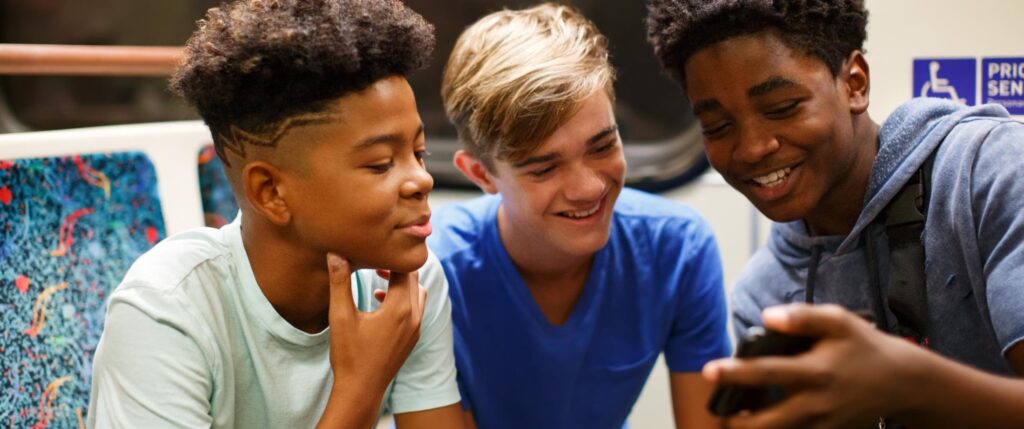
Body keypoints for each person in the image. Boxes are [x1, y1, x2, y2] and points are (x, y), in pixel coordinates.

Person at [645, 0, 1024, 427]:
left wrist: (909, 385)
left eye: (782, 108)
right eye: (717, 127)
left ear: (855, 83)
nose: (752, 148)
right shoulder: (763, 295)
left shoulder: (990, 172)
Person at [87, 1, 465, 427]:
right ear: (271, 193)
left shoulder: (404, 286)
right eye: (380, 164)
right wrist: (361, 386)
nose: (422, 180)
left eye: (418, 153)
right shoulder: (166, 311)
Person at [427, 4, 731, 428]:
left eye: (603, 146)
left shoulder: (676, 250)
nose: (588, 188)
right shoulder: (436, 275)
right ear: (481, 174)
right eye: (544, 168)